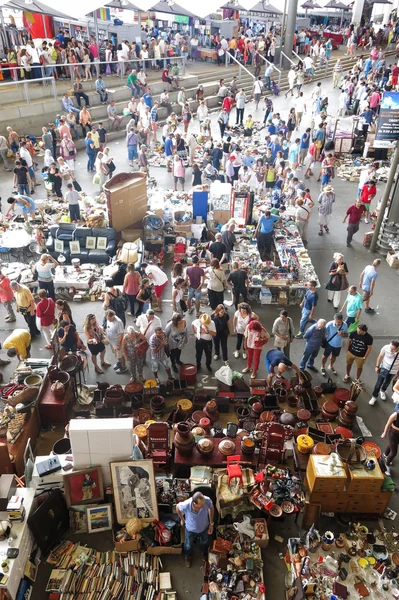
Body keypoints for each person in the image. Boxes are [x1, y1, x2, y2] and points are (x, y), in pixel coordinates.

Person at [177, 491, 214, 569]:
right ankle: (188, 557)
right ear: (194, 503)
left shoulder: (207, 500)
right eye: (201, 504)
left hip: (204, 527)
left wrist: (211, 523)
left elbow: (211, 507)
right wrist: (182, 519)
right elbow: (177, 507)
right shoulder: (186, 504)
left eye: (204, 502)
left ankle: (203, 552)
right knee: (188, 545)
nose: (204, 505)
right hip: (190, 529)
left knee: (204, 542)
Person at [369, 341, 399, 406]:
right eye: (390, 348)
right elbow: (380, 356)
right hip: (384, 368)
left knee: (387, 382)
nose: (391, 350)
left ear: (397, 348)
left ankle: (383, 390)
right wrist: (377, 366)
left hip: (393, 371)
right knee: (378, 383)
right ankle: (374, 396)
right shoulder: (386, 347)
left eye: (393, 349)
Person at [105, 310, 127, 374]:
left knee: (120, 355)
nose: (109, 320)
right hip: (111, 341)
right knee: (116, 355)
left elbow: (121, 334)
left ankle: (123, 367)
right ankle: (119, 363)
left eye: (110, 318)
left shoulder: (118, 322)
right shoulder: (108, 319)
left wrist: (118, 344)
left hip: (117, 342)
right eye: (107, 318)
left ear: (113, 316)